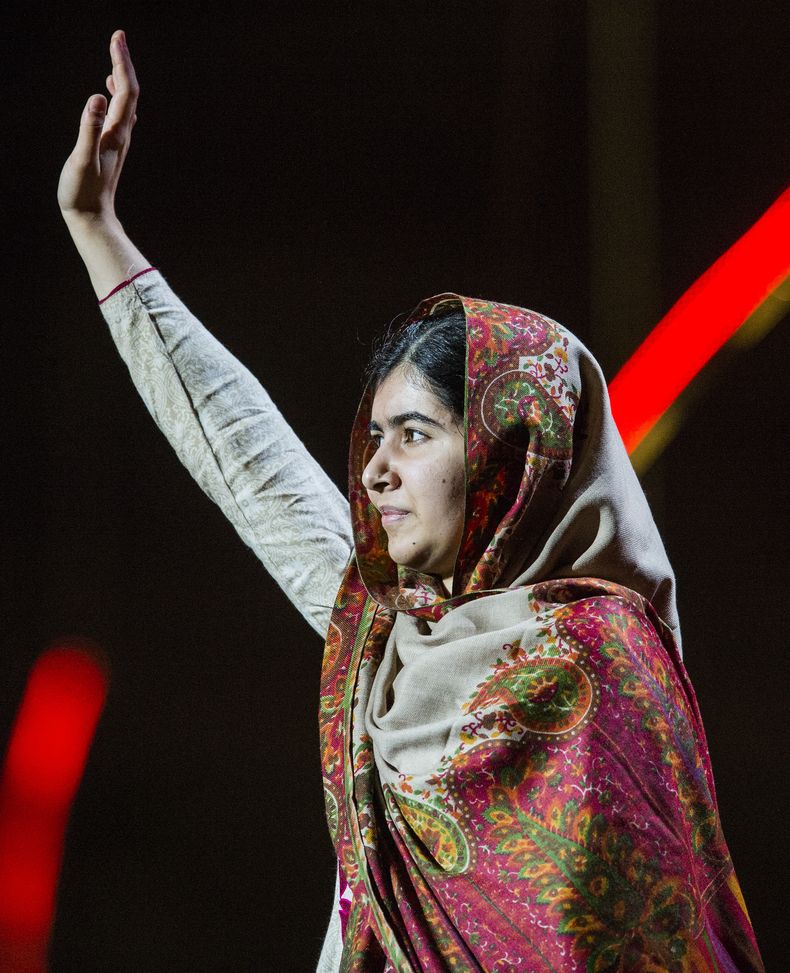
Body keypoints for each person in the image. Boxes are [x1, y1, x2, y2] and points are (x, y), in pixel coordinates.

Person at [59, 31, 764, 973]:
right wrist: (97, 230)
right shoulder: (396, 636)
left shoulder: (601, 668)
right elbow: (255, 470)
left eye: (417, 434)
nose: (375, 471)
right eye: (374, 437)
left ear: (513, 456)